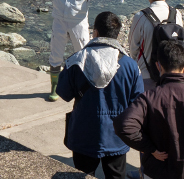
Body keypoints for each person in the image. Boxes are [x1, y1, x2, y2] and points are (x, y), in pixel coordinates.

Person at [21, 0, 124, 101]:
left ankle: (86, 90)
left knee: (85, 56)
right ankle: (54, 89)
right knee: (55, 56)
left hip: (78, 23)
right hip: (59, 21)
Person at [114, 41, 184, 179]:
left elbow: (123, 125)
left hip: (156, 169)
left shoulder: (148, 98)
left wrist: (150, 148)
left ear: (158, 66)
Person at [57, 11, 144, 179]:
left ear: (95, 32)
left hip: (84, 134)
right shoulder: (130, 65)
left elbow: (63, 93)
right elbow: (137, 102)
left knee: (84, 174)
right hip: (116, 136)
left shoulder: (76, 60)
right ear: (117, 35)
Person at [128, 0, 183, 93]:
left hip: (147, 74)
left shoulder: (140, 16)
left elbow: (133, 47)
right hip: (172, 74)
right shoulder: (176, 14)